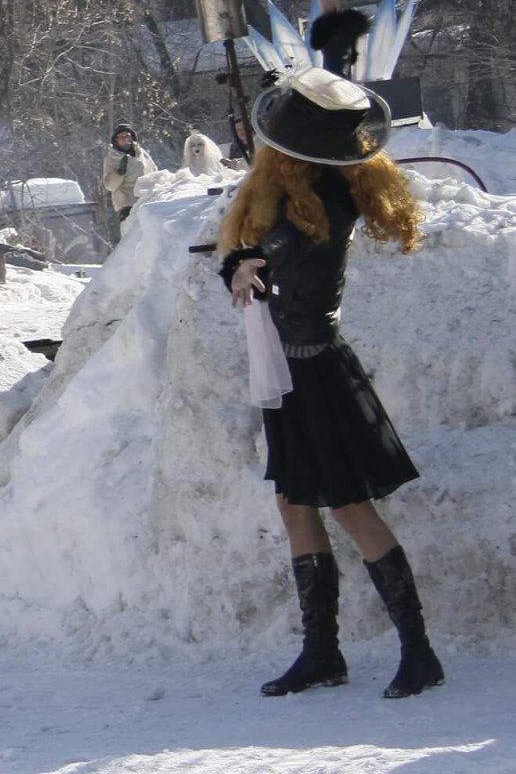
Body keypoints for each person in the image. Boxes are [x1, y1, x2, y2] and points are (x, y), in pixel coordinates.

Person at [217, 56, 444, 700]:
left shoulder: (331, 198)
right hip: (288, 367)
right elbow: (250, 256)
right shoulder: (289, 193)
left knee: (349, 505)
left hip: (316, 367)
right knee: (294, 504)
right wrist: (238, 263)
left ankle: (419, 652)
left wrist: (247, 260)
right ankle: (322, 652)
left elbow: (280, 250)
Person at [100, 123, 156, 222]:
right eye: (121, 137)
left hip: (146, 201)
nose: (125, 139)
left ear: (132, 137)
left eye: (127, 136)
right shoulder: (111, 159)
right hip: (127, 205)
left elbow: (154, 171)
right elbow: (109, 186)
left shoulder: (141, 153)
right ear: (116, 140)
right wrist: (118, 173)